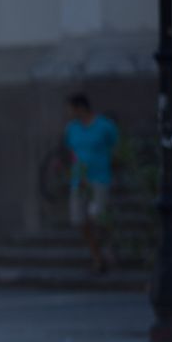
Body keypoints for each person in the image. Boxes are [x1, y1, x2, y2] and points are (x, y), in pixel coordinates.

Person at [63, 93, 118, 274]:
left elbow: (115, 146)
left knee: (98, 217)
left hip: (100, 178)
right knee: (79, 220)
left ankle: (108, 248)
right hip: (79, 181)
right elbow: (71, 152)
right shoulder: (71, 128)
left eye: (70, 108)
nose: (68, 112)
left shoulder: (104, 125)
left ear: (80, 108)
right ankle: (97, 256)